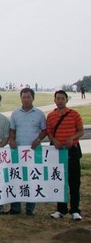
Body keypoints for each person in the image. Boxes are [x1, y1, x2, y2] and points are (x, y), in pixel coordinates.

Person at [7, 87, 46, 216]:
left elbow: (44, 130)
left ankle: (30, 209)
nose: (26, 100)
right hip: (17, 152)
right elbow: (12, 129)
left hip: (33, 152)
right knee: (16, 178)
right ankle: (16, 207)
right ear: (21, 98)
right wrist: (11, 139)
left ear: (33, 98)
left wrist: (38, 139)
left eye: (28, 97)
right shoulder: (15, 113)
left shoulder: (39, 114)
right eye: (24, 97)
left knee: (32, 179)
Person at [47, 90, 84, 221]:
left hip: (72, 151)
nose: (60, 100)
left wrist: (72, 138)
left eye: (63, 98)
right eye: (58, 98)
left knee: (74, 182)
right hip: (58, 152)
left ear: (66, 100)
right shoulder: (51, 116)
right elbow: (49, 132)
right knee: (59, 181)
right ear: (55, 100)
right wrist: (54, 141)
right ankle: (60, 209)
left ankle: (75, 210)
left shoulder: (74, 114)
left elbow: (81, 131)